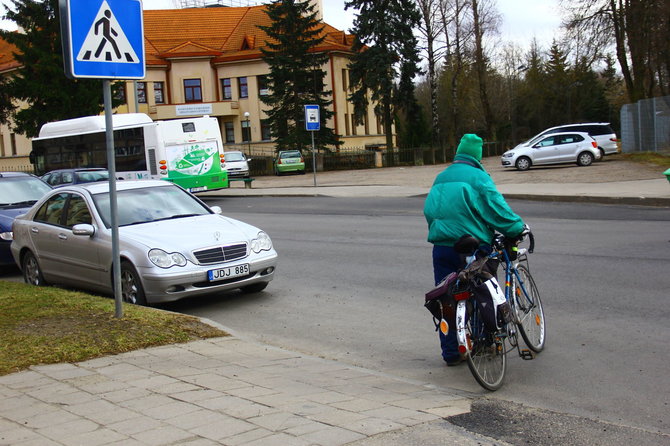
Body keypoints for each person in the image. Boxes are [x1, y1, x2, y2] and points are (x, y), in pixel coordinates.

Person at [423, 133, 526, 366]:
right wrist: (516, 228)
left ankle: (450, 353)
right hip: (473, 246)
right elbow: (497, 210)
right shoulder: (479, 177)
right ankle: (482, 341)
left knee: (447, 298)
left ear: (459, 152)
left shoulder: (441, 177)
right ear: (477, 156)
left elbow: (430, 211)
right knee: (481, 291)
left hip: (442, 248)